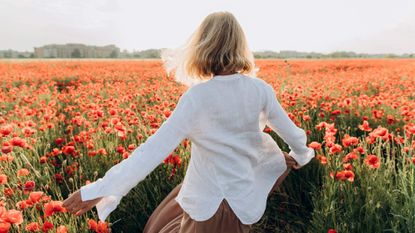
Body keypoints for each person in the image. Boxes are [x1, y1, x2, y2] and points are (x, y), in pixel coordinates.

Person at [62, 11, 315, 233]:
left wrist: (97, 189)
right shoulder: (260, 90)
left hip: (209, 207)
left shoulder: (198, 97)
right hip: (242, 202)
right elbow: (294, 136)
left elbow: (151, 151)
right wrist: (300, 156)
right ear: (240, 45)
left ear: (203, 45)